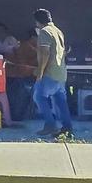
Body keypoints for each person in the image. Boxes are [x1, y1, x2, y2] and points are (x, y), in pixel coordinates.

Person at [32, 8, 74, 137]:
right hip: (61, 73)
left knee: (39, 97)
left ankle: (50, 125)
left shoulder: (44, 32)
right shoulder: (58, 31)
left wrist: (40, 71)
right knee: (60, 101)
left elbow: (45, 53)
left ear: (38, 22)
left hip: (50, 72)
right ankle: (67, 128)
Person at [5, 28, 40, 122]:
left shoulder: (35, 47)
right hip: (21, 77)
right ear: (33, 37)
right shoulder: (26, 47)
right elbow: (22, 66)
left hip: (28, 76)